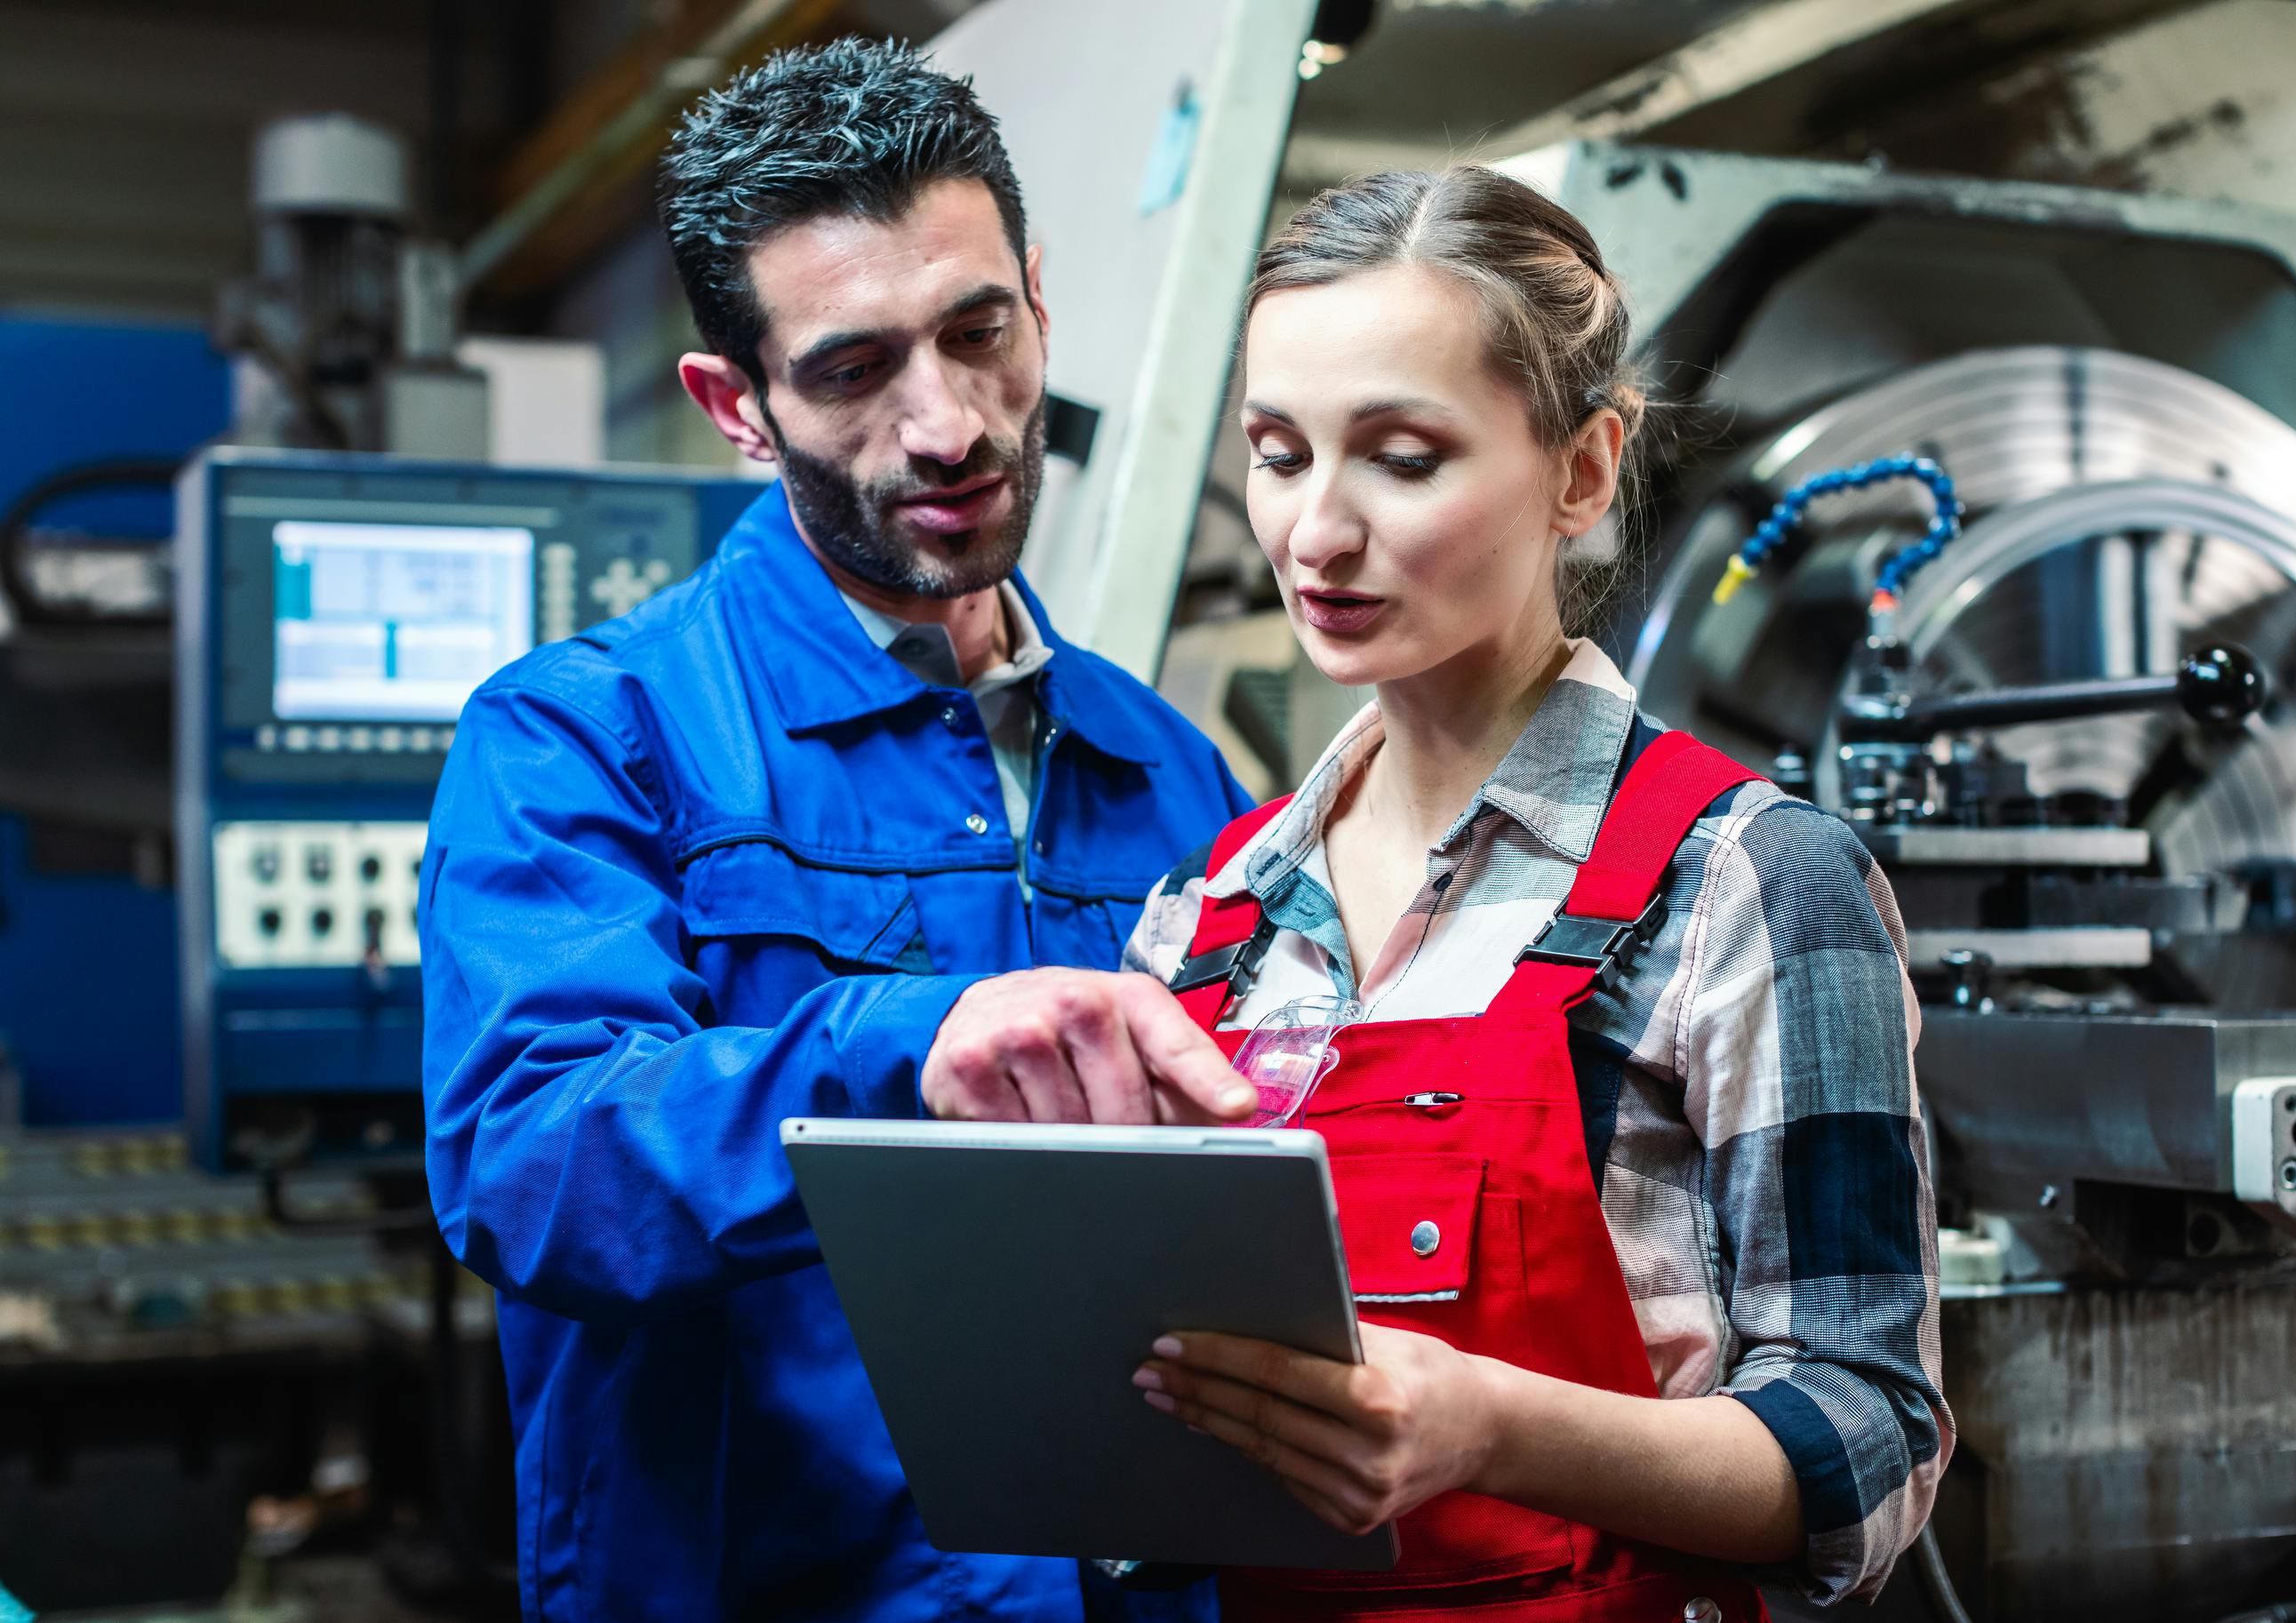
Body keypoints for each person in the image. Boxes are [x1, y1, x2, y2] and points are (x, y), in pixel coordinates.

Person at [420, 41, 1259, 1622]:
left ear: (1038, 310)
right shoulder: (584, 736)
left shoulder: (1170, 772)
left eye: (977, 332)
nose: (947, 425)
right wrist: (910, 1054)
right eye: (854, 368)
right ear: (736, 406)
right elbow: (532, 1164)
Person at [1116, 167, 1954, 1617]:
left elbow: (1869, 1435)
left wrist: (1491, 1427)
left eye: (1401, 455)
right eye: (1276, 453)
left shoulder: (1743, 882)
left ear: (1580, 470)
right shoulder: (1210, 920)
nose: (1315, 532)